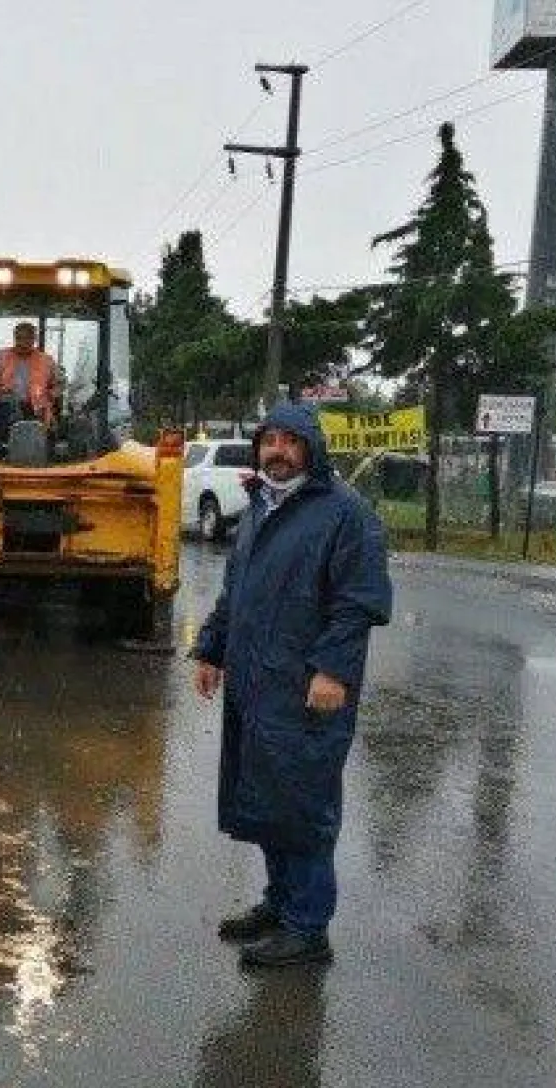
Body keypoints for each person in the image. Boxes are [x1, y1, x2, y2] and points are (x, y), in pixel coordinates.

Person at [190, 401, 392, 967]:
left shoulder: (344, 514)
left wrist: (333, 671)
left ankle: (308, 929)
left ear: (312, 448)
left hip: (307, 688)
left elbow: (360, 603)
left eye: (290, 441)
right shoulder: (261, 507)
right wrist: (211, 648)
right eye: (269, 441)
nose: (277, 451)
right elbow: (236, 591)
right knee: (268, 799)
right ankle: (279, 905)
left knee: (304, 805)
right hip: (258, 685)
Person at [0, 321, 59, 453]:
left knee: (10, 416)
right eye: (18, 338)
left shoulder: (46, 360)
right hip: (5, 401)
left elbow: (59, 383)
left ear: (34, 339)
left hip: (36, 408)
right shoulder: (3, 355)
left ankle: (3, 445)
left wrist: (50, 395)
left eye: (26, 338)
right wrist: (1, 389)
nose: (22, 342)